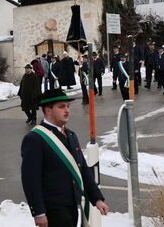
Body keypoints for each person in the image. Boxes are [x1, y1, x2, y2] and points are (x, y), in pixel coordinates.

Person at [21, 89, 109, 227]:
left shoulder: (71, 135)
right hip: (52, 210)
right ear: (48, 110)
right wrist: (38, 212)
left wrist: (97, 198)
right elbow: (31, 180)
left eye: (68, 106)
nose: (67, 110)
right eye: (61, 106)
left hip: (72, 207)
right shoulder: (35, 138)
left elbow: (82, 170)